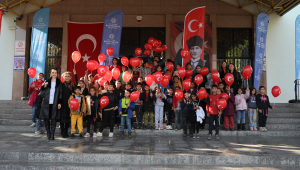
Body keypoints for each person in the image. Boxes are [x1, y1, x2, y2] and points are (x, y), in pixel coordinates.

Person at [39, 68, 62, 140]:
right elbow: (41, 90)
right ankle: (48, 133)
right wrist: (44, 86)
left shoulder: (59, 82)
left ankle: (52, 134)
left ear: (57, 74)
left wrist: (59, 102)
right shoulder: (47, 81)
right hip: (46, 102)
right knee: (46, 118)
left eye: (55, 72)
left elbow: (60, 93)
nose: (54, 74)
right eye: (53, 72)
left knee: (53, 118)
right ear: (51, 73)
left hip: (54, 103)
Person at [59, 71, 79, 138]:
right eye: (65, 76)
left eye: (68, 76)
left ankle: (66, 131)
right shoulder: (61, 85)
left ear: (70, 77)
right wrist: (59, 103)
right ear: (63, 77)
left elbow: (78, 86)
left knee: (68, 119)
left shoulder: (73, 85)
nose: (67, 78)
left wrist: (75, 74)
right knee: (62, 119)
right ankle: (62, 132)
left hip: (70, 104)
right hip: (63, 103)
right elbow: (59, 94)